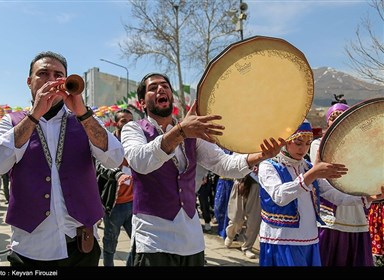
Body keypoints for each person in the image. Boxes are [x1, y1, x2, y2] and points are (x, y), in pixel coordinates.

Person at [120, 72, 286, 266]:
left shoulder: (191, 132)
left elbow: (224, 164)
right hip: (153, 239)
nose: (161, 89)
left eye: (165, 85)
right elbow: (140, 161)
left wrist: (261, 155)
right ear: (142, 103)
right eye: (153, 87)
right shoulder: (133, 129)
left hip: (191, 241)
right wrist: (180, 132)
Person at [0, 51, 124, 266]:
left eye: (58, 74)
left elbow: (115, 159)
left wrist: (83, 113)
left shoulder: (84, 119)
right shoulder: (10, 121)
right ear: (29, 82)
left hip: (81, 246)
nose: (51, 80)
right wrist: (34, 115)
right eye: (43, 73)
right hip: (31, 248)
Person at [257, 120, 384, 266]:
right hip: (281, 240)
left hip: (310, 239)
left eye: (307, 143)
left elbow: (334, 195)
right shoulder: (269, 166)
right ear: (284, 141)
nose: (303, 149)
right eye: (298, 143)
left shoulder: (308, 167)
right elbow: (280, 196)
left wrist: (369, 197)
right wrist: (312, 174)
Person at [310, 103, 373, 266]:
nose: (336, 120)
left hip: (356, 209)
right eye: (332, 117)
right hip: (331, 208)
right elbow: (322, 178)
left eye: (341, 117)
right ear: (327, 122)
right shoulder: (318, 144)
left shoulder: (362, 146)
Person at [96, 108, 134, 266]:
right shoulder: (107, 142)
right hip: (114, 205)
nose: (128, 124)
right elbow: (99, 166)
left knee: (138, 244)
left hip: (134, 203)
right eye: (124, 121)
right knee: (110, 245)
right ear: (116, 124)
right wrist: (117, 170)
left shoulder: (137, 142)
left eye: (131, 121)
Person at [224, 167, 261, 259]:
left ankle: (247, 247)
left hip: (257, 185)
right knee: (236, 216)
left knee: (254, 221)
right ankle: (230, 234)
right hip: (241, 182)